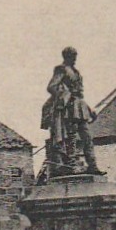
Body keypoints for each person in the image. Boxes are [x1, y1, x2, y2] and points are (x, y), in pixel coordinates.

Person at [40, 46, 100, 177]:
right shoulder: (61, 69)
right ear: (66, 56)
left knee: (87, 137)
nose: (74, 59)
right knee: (71, 137)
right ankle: (70, 165)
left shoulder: (76, 71)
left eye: (75, 56)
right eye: (72, 56)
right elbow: (51, 87)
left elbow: (80, 94)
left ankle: (92, 165)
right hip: (69, 107)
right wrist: (64, 96)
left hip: (80, 106)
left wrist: (89, 110)